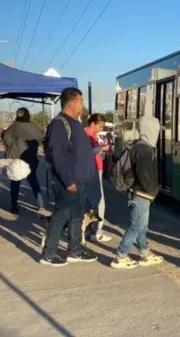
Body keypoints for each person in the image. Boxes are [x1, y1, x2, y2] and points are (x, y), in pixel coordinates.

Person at [41, 88, 98, 267]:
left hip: (81, 181)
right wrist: (68, 181)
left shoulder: (75, 123)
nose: (83, 104)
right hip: (70, 182)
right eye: (81, 101)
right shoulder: (59, 124)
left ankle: (75, 250)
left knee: (76, 217)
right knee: (61, 216)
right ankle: (49, 253)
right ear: (71, 103)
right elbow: (58, 155)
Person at [111, 116, 164, 269]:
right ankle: (121, 255)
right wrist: (153, 191)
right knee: (136, 226)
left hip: (137, 193)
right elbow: (144, 174)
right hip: (141, 194)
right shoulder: (144, 149)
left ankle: (145, 252)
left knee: (141, 225)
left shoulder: (137, 145)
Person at [2, 107, 44, 214]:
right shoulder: (34, 127)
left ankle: (14, 206)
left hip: (17, 158)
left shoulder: (14, 126)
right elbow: (39, 140)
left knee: (15, 181)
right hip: (31, 159)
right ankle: (40, 204)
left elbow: (6, 137)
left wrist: (13, 145)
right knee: (33, 180)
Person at [84, 113, 112, 243]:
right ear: (93, 123)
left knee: (90, 200)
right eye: (100, 127)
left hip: (94, 168)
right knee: (99, 200)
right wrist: (101, 148)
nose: (100, 129)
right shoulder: (87, 135)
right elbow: (89, 151)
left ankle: (89, 230)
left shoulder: (90, 134)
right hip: (94, 169)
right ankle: (97, 231)